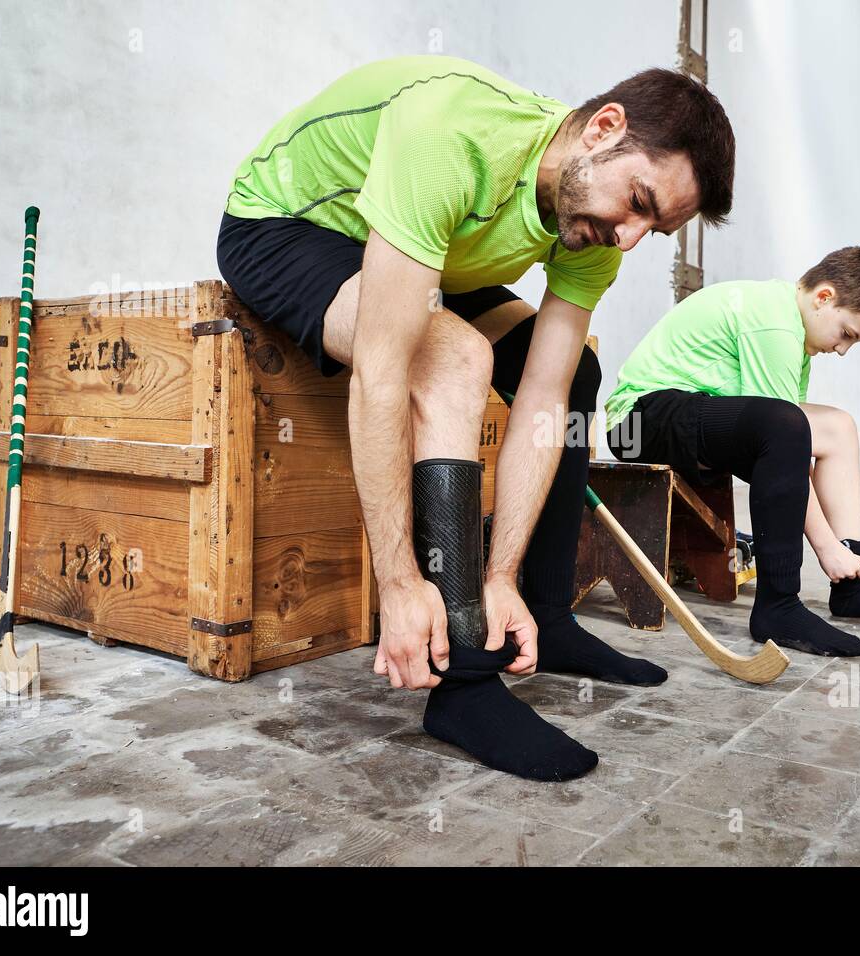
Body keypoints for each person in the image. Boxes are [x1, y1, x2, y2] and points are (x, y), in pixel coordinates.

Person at [217, 55, 736, 780]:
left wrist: (502, 574)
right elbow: (383, 370)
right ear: (604, 129)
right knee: (453, 357)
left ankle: (543, 614)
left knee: (574, 371)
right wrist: (399, 586)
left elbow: (544, 400)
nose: (629, 238)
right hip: (288, 224)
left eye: (656, 226)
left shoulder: (591, 227)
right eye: (640, 200)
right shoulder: (454, 135)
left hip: (423, 254)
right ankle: (462, 683)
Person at [603, 246, 860, 660]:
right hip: (639, 420)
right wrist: (827, 548)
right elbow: (784, 435)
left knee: (838, 428)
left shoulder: (795, 332)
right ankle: (778, 605)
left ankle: (854, 586)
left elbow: (794, 441)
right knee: (784, 426)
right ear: (824, 297)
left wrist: (841, 550)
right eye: (847, 334)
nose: (842, 349)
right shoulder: (774, 324)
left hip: (691, 412)